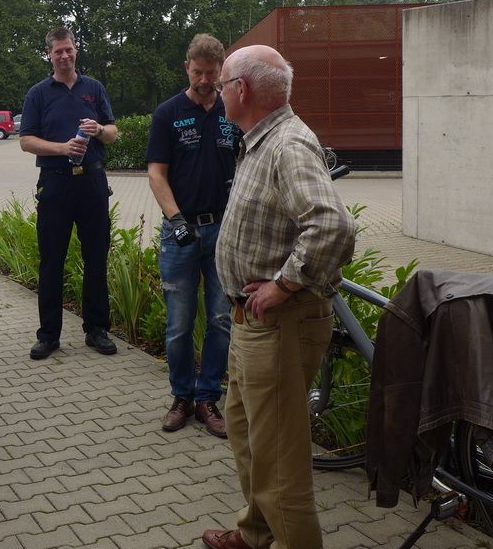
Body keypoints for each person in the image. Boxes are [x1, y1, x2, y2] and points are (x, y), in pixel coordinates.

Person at [201, 45, 356, 549]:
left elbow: (332, 225)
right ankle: (255, 532)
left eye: (222, 83)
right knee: (248, 436)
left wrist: (284, 283)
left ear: (241, 90)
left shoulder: (286, 145)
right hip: (253, 324)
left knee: (280, 457)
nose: (217, 91)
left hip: (280, 324)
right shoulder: (260, 141)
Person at [145, 34, 236, 438]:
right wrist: (176, 219)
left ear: (221, 73)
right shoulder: (168, 113)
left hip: (223, 231)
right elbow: (156, 174)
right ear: (187, 67)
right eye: (198, 72)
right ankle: (181, 396)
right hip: (180, 231)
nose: (204, 80)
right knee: (179, 324)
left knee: (220, 320)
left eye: (212, 74)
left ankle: (208, 398)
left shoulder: (232, 111)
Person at [18, 26, 118, 360]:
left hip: (91, 182)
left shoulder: (94, 88)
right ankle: (48, 335)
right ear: (49, 53)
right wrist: (62, 148)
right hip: (55, 182)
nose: (65, 56)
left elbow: (113, 133)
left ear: (77, 50)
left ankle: (96, 329)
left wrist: (99, 129)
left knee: (96, 258)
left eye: (69, 49)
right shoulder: (38, 93)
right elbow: (26, 140)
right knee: (51, 261)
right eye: (58, 51)